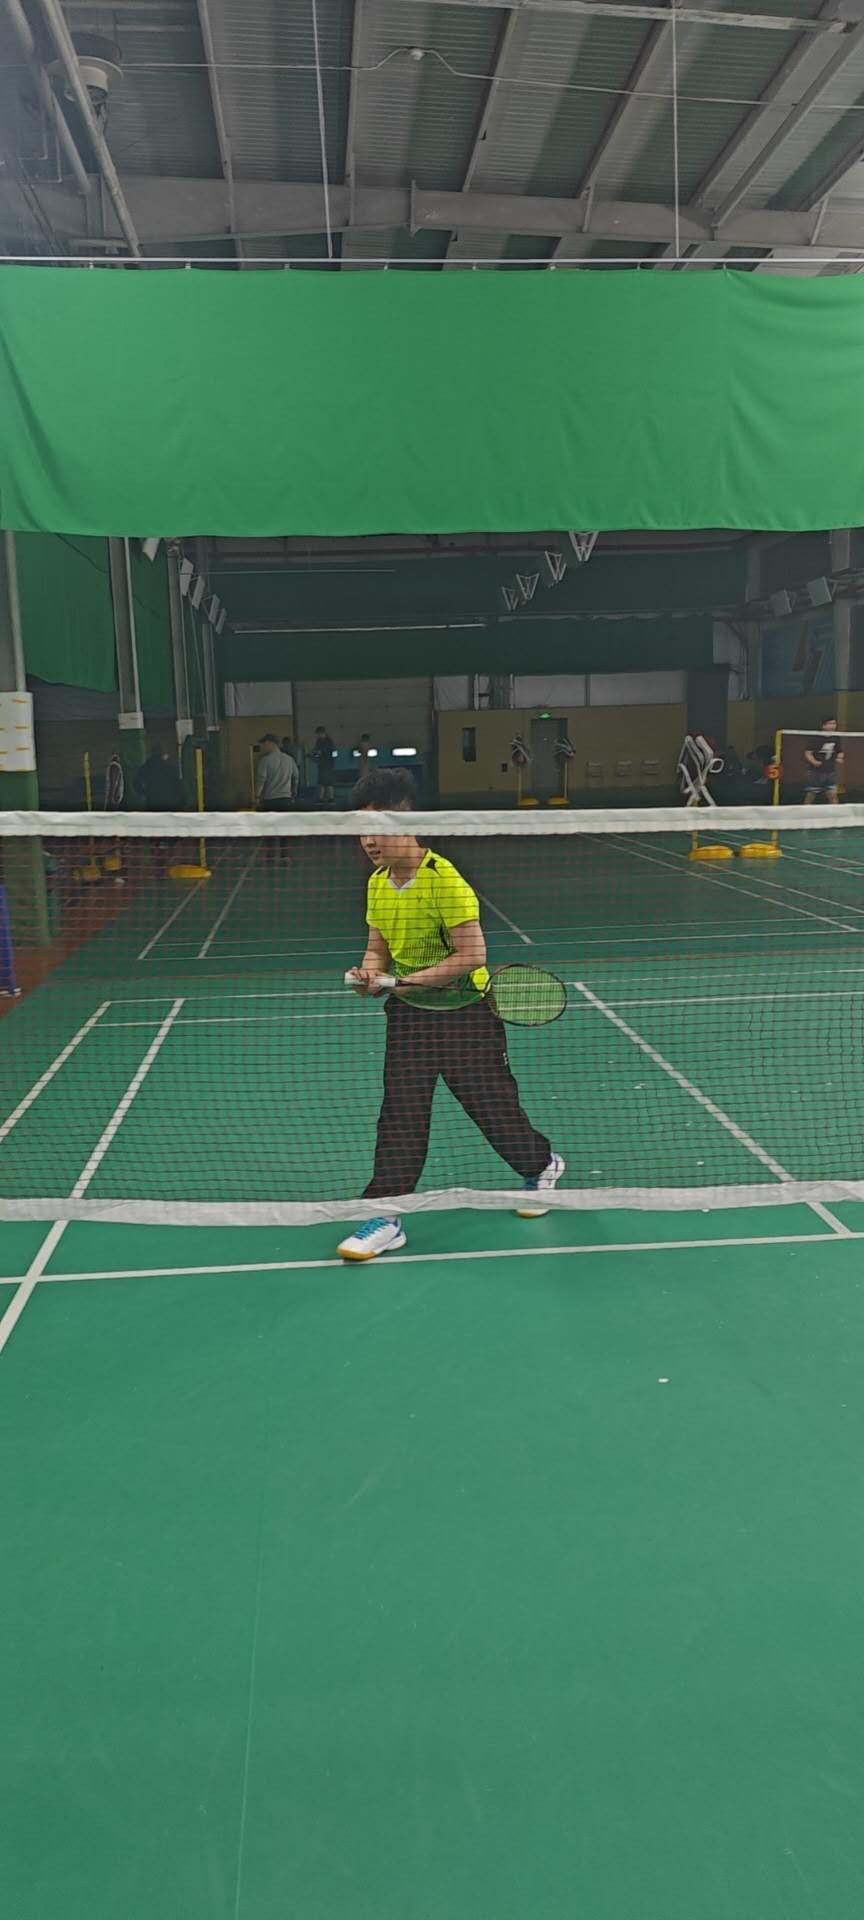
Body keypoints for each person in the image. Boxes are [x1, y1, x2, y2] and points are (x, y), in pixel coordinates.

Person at [338, 768, 564, 1262]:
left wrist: (406, 981)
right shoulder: (377, 884)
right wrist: (369, 975)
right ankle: (386, 1214)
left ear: (408, 824)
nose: (368, 840)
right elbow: (377, 947)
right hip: (410, 1017)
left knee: (492, 1109)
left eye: (377, 828)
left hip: (466, 1016)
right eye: (361, 829)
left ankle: (541, 1164)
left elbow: (472, 955)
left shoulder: (445, 882)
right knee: (400, 1114)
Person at [255, 732, 299, 864]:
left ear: (270, 743)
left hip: (270, 801)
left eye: (264, 744)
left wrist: (257, 797)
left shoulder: (265, 761)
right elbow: (296, 778)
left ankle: (270, 856)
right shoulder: (289, 760)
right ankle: (284, 856)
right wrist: (293, 793)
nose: (263, 747)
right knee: (285, 830)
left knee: (270, 830)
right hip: (286, 800)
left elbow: (261, 781)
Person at [804, 716, 844, 804]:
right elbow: (808, 753)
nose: (833, 726)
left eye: (834, 724)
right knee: (811, 795)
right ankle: (805, 810)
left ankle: (835, 811)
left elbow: (840, 751)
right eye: (830, 724)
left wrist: (839, 758)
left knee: (832, 795)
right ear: (823, 726)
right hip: (815, 772)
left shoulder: (836, 737)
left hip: (830, 771)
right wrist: (814, 762)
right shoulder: (816, 738)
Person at [134, 744, 185, 810]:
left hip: (152, 801)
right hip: (168, 800)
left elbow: (136, 783)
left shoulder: (146, 767)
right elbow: (178, 785)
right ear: (162, 754)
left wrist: (145, 792)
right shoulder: (169, 767)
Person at [313, 725, 336, 804]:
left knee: (328, 782)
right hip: (322, 764)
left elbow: (330, 751)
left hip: (328, 764)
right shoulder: (319, 741)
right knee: (322, 782)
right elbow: (316, 750)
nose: (318, 735)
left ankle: (330, 797)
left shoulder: (328, 741)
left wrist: (321, 752)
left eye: (319, 734)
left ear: (323, 733)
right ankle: (322, 797)